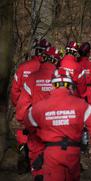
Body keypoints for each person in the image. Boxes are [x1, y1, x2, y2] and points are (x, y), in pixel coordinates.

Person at [24, 69, 91, 181]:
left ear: (52, 86)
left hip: (51, 153)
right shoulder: (81, 105)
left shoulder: (39, 107)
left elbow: (28, 123)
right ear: (70, 86)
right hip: (73, 152)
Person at [16, 47, 60, 180]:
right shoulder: (60, 77)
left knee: (36, 151)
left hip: (36, 122)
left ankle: (38, 175)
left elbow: (23, 103)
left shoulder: (32, 78)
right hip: (55, 123)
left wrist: (22, 119)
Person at [10, 38, 51, 173]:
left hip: (26, 111)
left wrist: (19, 108)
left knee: (26, 140)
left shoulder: (23, 68)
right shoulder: (49, 71)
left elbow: (15, 91)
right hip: (47, 116)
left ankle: (26, 162)